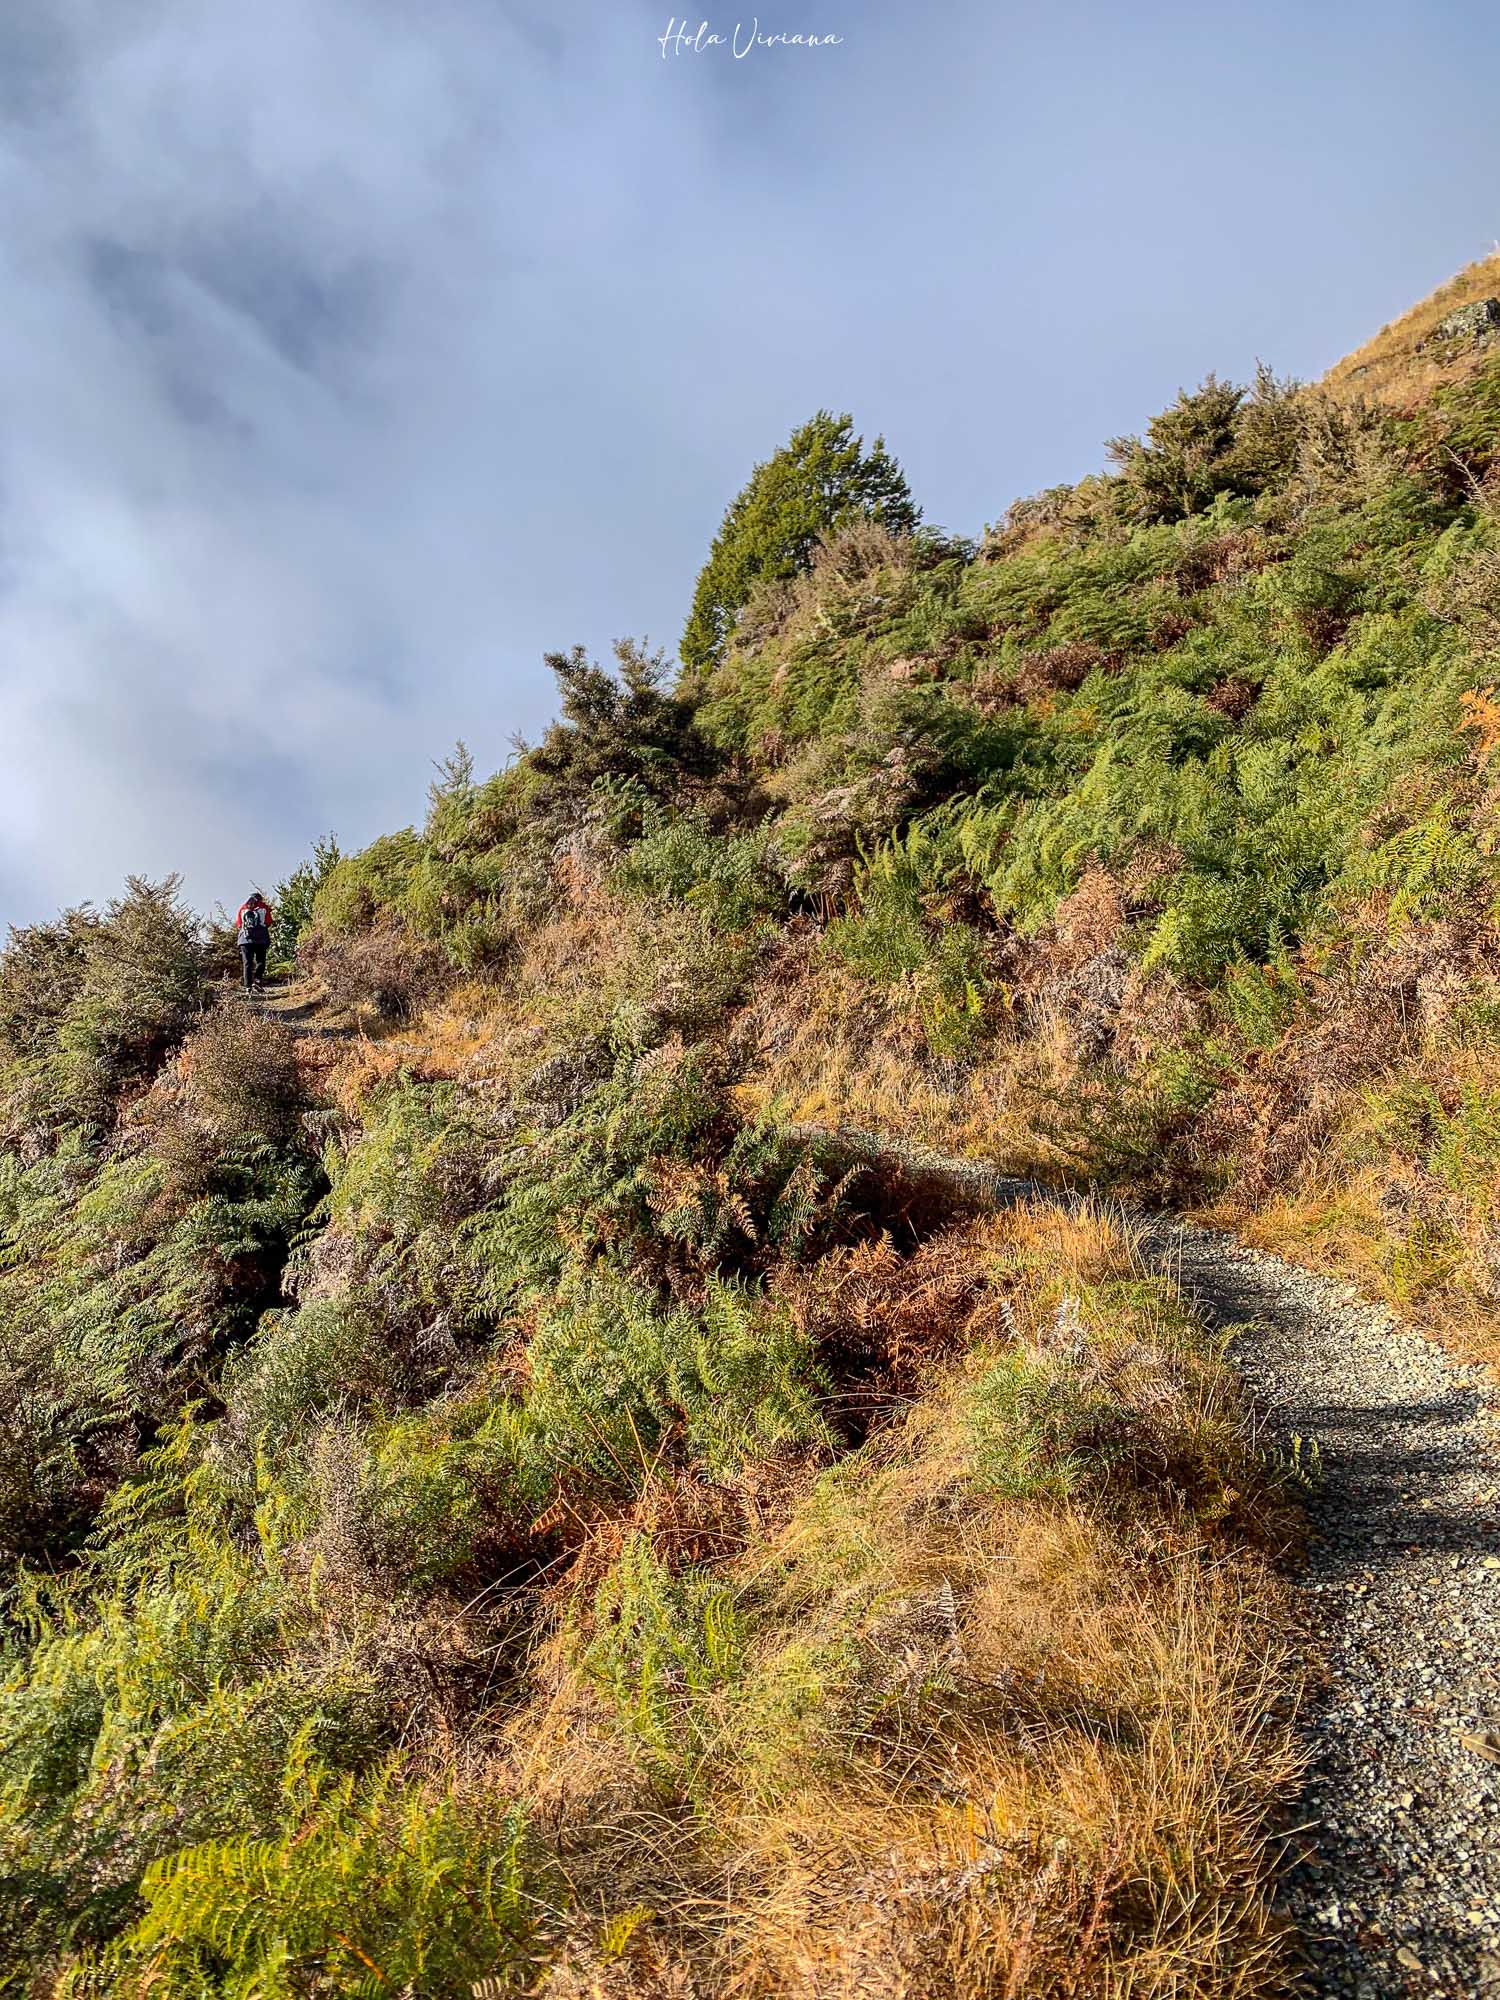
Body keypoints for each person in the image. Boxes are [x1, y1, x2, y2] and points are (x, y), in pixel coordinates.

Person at [236, 891, 273, 993]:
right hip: (260, 939)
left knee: (247, 963)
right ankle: (257, 980)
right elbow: (269, 922)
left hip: (245, 939)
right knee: (261, 961)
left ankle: (248, 987)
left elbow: (239, 924)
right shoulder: (263, 907)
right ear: (260, 899)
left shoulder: (243, 908)